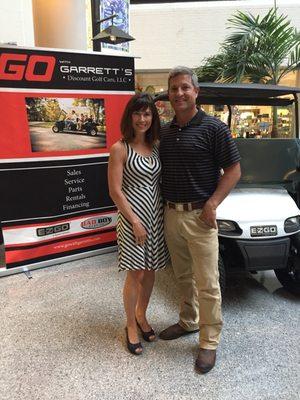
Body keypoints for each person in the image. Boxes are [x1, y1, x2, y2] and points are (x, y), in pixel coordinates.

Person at [159, 66, 241, 373]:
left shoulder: (214, 128)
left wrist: (212, 204)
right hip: (171, 214)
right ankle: (189, 321)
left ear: (196, 92)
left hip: (200, 217)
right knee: (182, 276)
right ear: (168, 95)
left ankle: (209, 341)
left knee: (208, 282)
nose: (179, 93)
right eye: (174, 89)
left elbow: (234, 171)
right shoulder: (165, 131)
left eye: (184, 88)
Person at [108, 93, 166, 355]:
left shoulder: (155, 145)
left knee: (151, 270)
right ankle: (130, 325)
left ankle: (142, 315)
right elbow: (115, 191)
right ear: (129, 116)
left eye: (147, 114)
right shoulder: (120, 148)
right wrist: (134, 221)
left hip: (156, 217)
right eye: (137, 113)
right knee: (136, 272)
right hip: (133, 219)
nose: (142, 119)